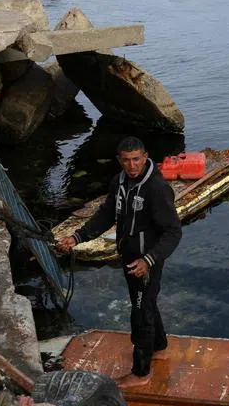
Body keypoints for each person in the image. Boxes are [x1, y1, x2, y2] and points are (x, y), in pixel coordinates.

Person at [55, 137, 182, 388]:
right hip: (128, 256)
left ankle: (141, 372)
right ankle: (159, 347)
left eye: (136, 159)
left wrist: (149, 259)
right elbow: (105, 214)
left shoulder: (156, 188)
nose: (132, 166)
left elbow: (173, 232)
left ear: (146, 157)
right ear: (119, 161)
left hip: (146, 261)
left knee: (140, 311)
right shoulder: (119, 182)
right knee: (146, 303)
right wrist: (77, 236)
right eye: (126, 160)